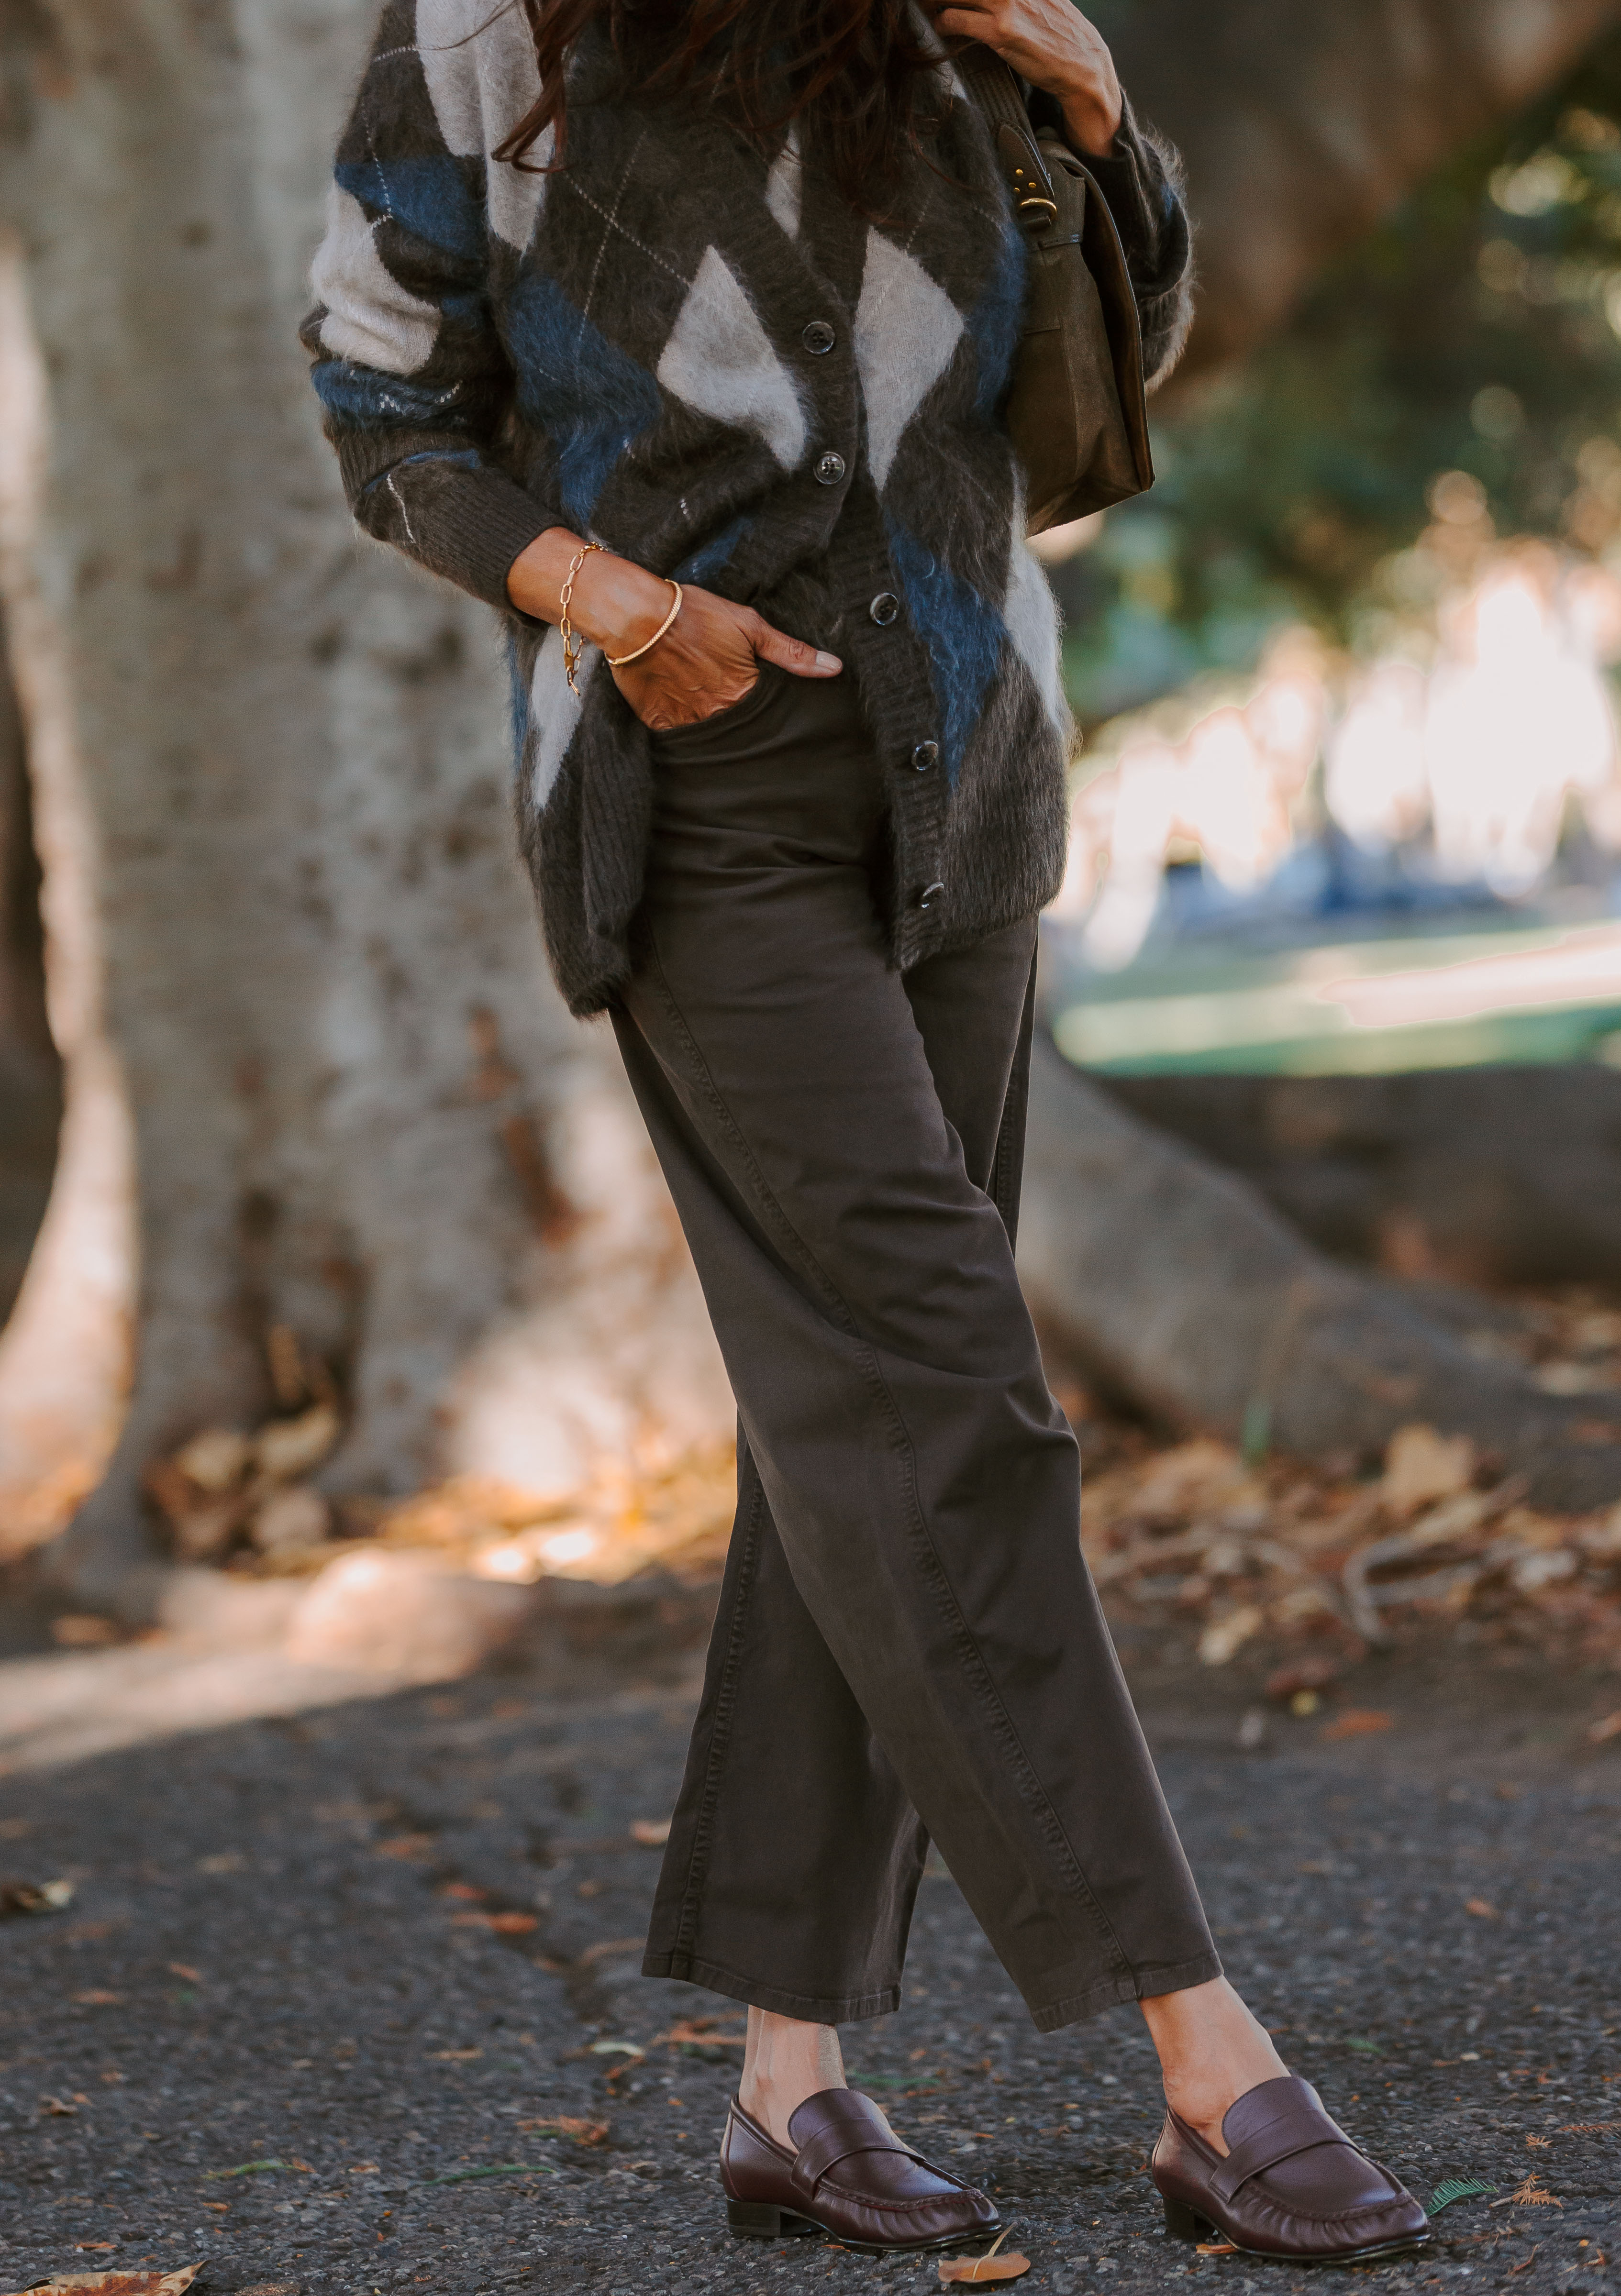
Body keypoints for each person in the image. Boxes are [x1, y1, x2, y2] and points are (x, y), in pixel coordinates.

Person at [303, 0, 1430, 2263]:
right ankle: (1206, 2057)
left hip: (969, 798)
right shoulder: (480, 43)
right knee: (941, 1398)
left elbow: (1096, 408)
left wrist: (1096, 117)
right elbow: (378, 402)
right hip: (689, 796)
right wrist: (611, 605)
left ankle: (785, 2089)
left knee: (860, 1427)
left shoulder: (959, 42)